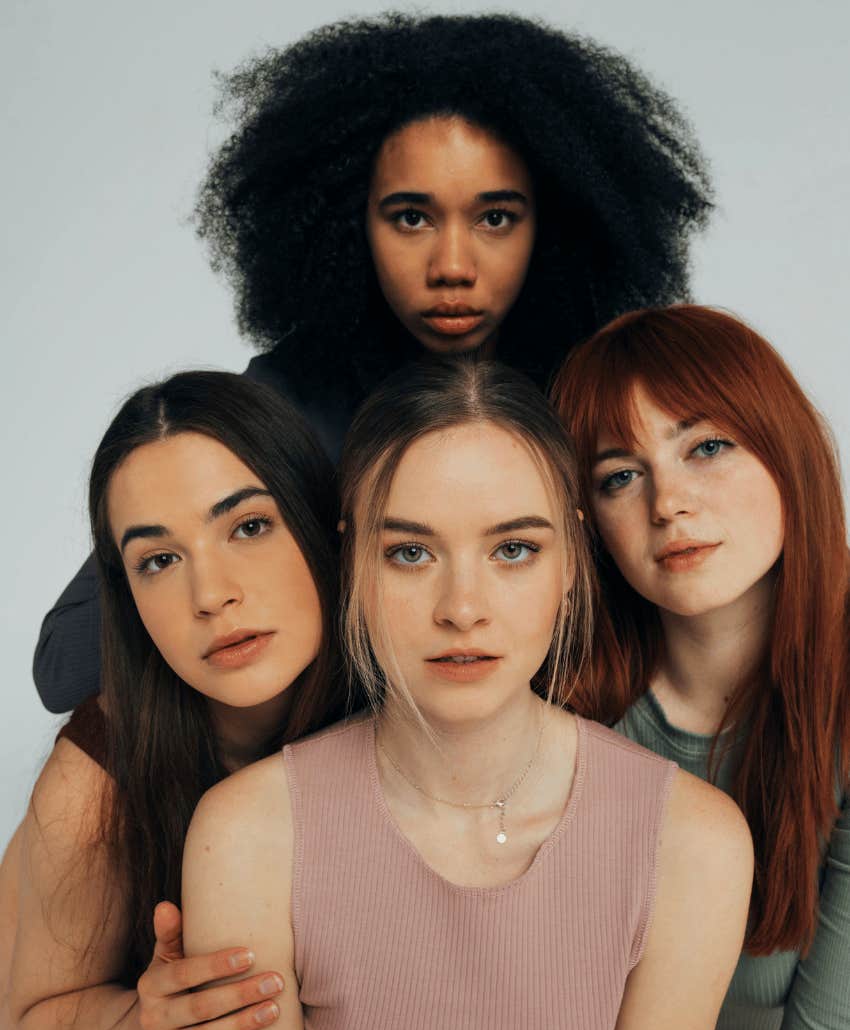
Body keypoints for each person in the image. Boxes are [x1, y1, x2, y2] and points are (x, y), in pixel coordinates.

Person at [33, 9, 713, 714]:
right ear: (347, 224)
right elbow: (64, 664)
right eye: (411, 217)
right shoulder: (297, 399)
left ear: (558, 225)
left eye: (496, 217)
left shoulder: (593, 401)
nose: (453, 266)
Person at [182, 359, 753, 1030]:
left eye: (514, 549)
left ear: (571, 567)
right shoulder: (247, 834)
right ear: (356, 566)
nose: (463, 607)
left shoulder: (694, 844)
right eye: (410, 552)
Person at [3, 371, 343, 1030]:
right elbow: (46, 1008)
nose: (211, 594)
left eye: (250, 526)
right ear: (126, 598)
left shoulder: (410, 699)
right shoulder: (99, 769)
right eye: (158, 560)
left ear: (323, 526)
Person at [552, 304, 850, 1030]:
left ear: (784, 444)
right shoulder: (556, 704)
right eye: (618, 475)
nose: (669, 502)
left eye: (706, 446)